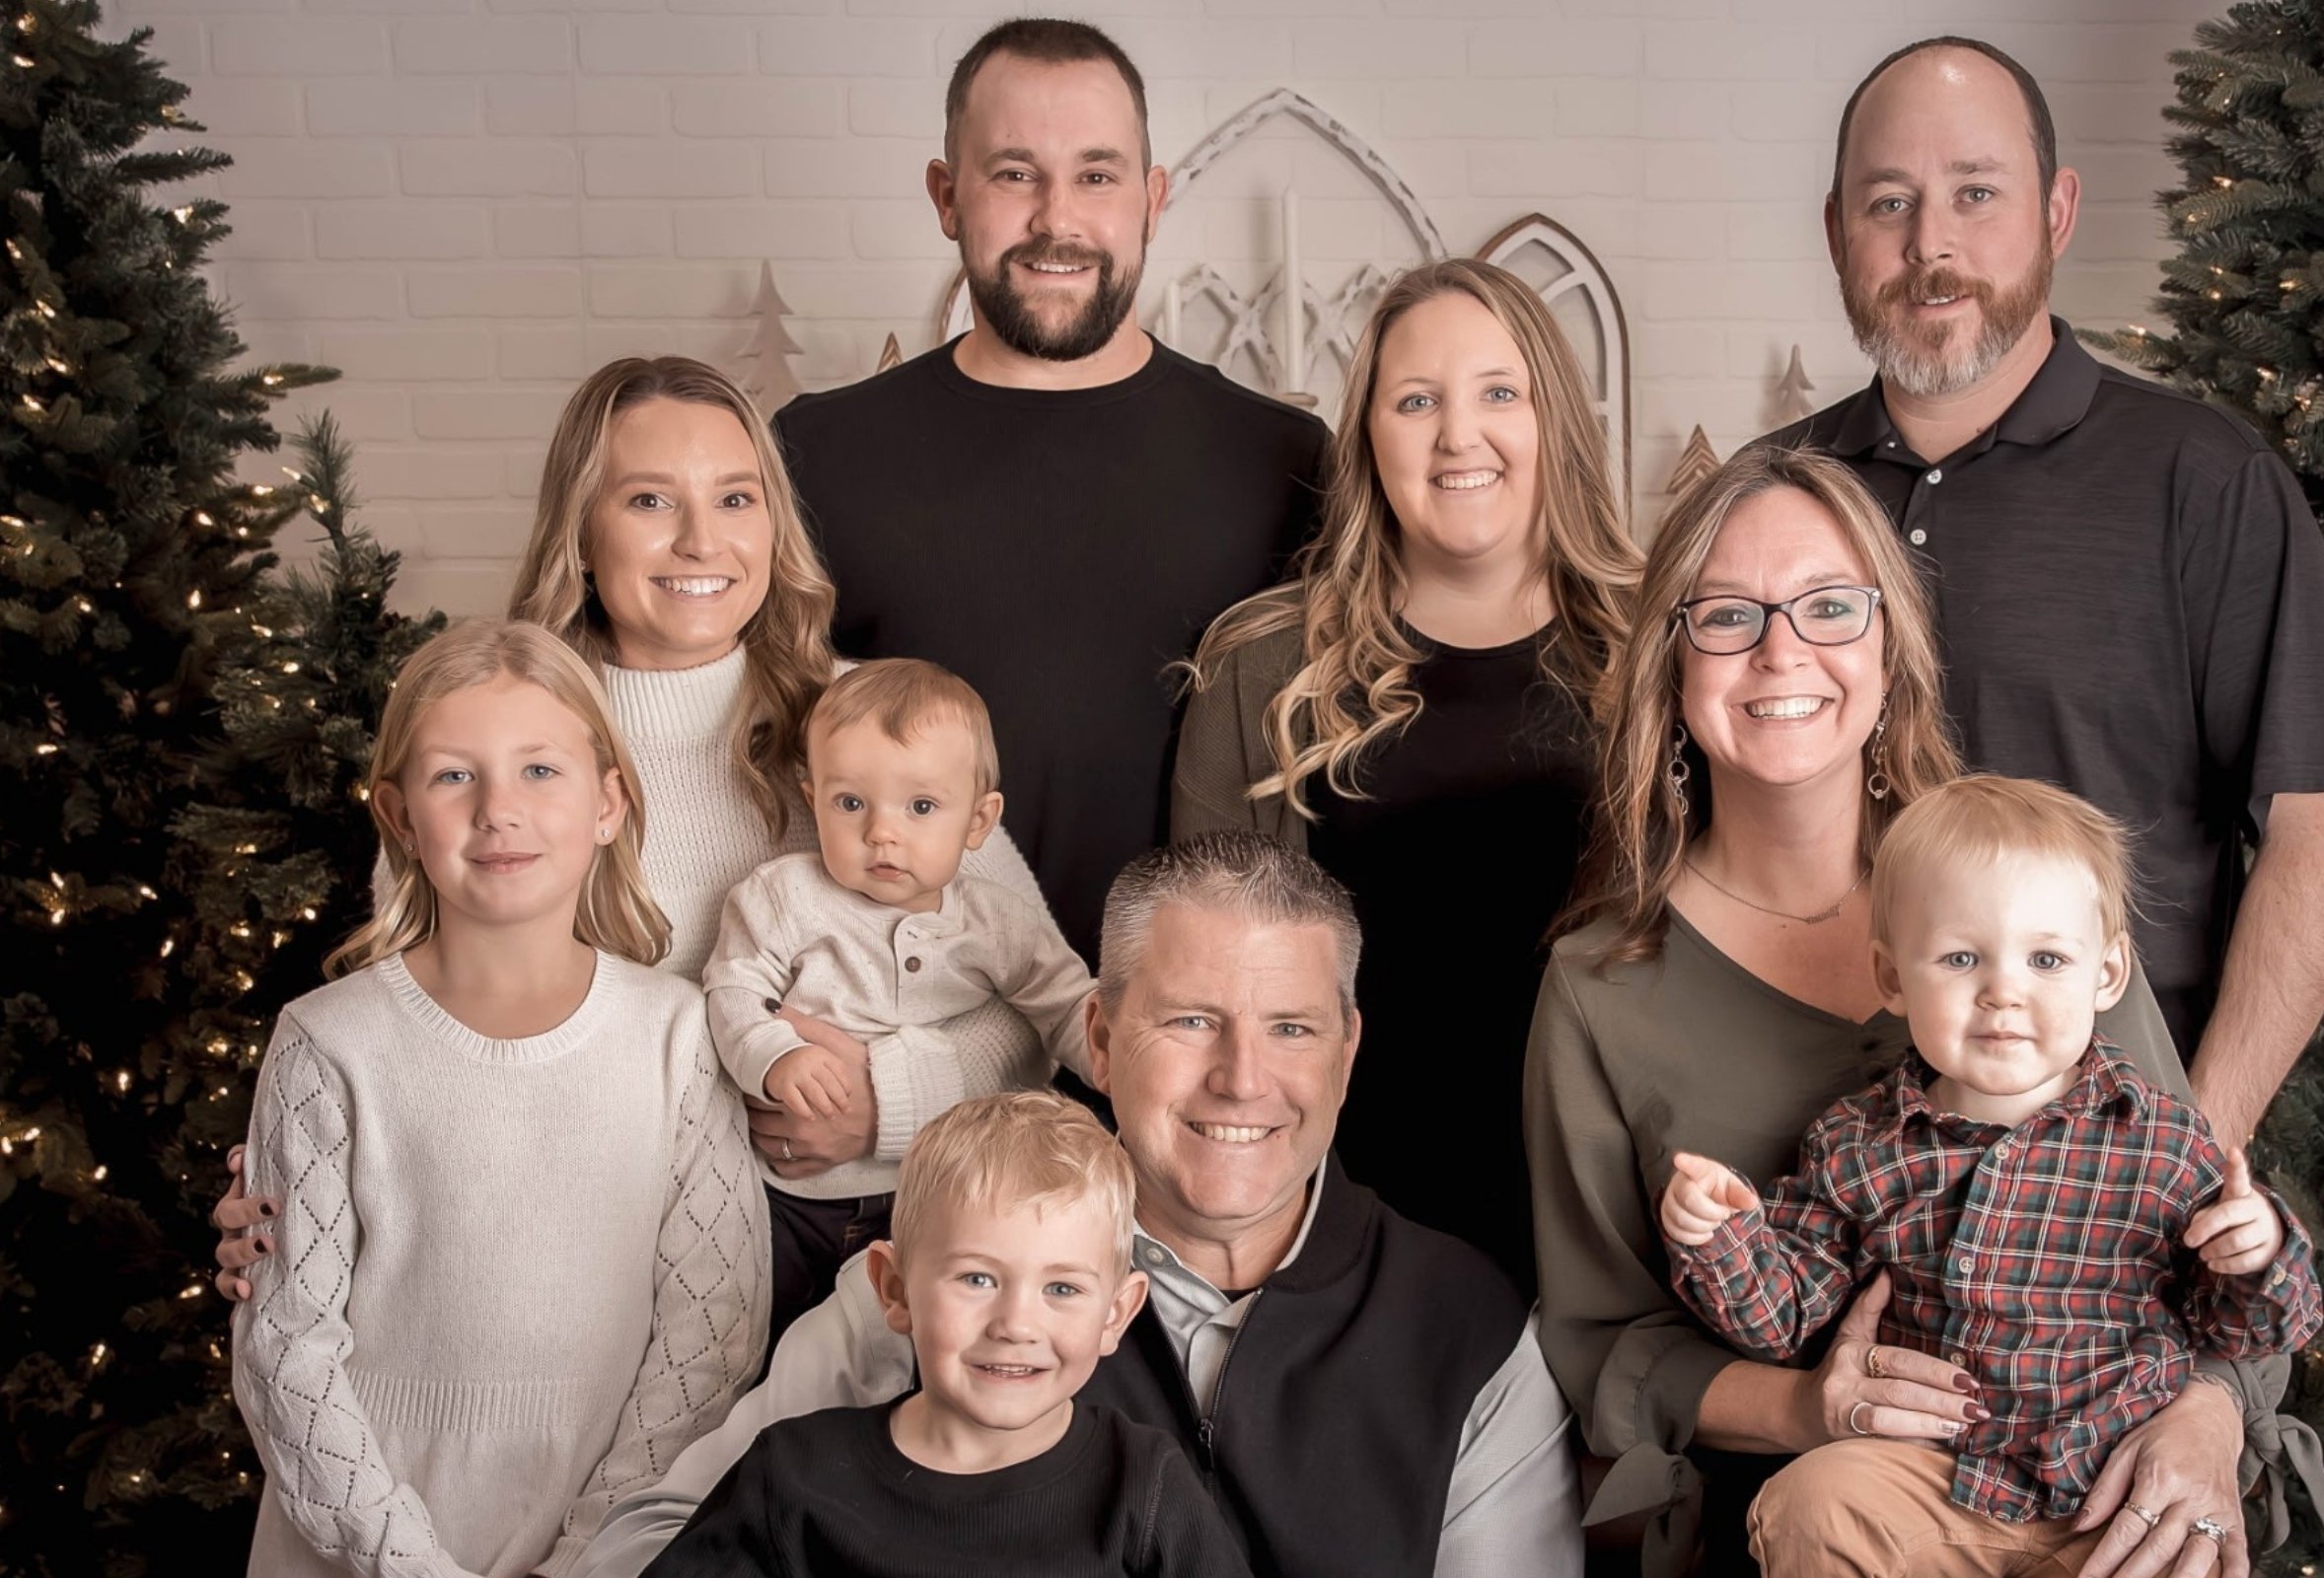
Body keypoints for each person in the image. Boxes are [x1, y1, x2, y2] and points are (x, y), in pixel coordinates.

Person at [1527, 448, 2314, 1578]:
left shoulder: (2035, 903)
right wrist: (1813, 1411)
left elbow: (2191, 1223)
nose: (1781, 649)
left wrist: (2206, 1415)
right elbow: (1605, 1346)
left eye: (1830, 607)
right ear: (1668, 664)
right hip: (1839, 1523)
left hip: (2103, 1480)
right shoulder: (1600, 988)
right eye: (1727, 615)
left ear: (1888, 651)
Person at [209, 358, 1051, 1318]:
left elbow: (1033, 1005)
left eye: (735, 497)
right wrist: (306, 1196)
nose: (702, 539)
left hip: (871, 1250)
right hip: (602, 1273)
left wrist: (885, 1101)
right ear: (580, 532)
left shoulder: (873, 721)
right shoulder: (497, 752)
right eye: (651, 498)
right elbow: (418, 1047)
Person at [582, 832, 1583, 1578]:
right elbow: (651, 1543)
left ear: (1347, 1049)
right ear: (1097, 1038)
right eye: (1191, 1021)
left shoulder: (1464, 1327)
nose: (1241, 1078)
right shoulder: (943, 1275)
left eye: (1290, 1027)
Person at [1756, 36, 2324, 1146]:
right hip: (1816, 1148)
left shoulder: (2202, 480)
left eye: (1974, 193)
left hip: (2109, 1157)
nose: (1928, 243)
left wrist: (2194, 1146)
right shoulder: (1769, 494)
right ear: (1834, 231)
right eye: (1886, 201)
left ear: (2055, 211)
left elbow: (2322, 831)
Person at [1659, 775, 2323, 1576]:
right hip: (1936, 1481)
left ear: (2106, 974)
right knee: (1813, 1501)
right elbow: (1786, 1321)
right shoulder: (1856, 1144)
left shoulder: (2165, 1143)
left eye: (2047, 958)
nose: (2004, 991)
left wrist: (2256, 1255)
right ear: (1895, 978)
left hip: (2116, 1491)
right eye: (1961, 957)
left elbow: (2242, 1331)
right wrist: (1724, 1239)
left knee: (2185, 1558)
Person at [775, 18, 1326, 961]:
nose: (1057, 220)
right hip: (906, 1042)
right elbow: (762, 769)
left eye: (1097, 176)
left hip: (1184, 1046)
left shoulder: (1283, 460)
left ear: (1153, 199)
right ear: (948, 196)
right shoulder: (815, 452)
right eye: (1014, 173)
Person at [232, 621, 766, 1578]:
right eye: (453, 776)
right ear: (398, 816)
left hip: (600, 1546)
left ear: (608, 802)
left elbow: (711, 1334)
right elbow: (287, 1352)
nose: (498, 810)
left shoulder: (676, 1037)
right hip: (354, 1545)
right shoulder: (328, 1042)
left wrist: (585, 1558)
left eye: (539, 771)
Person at [1173, 257, 1637, 1291]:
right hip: (1344, 1214)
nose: (1456, 435)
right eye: (1415, 400)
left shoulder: (1656, 652)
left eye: (1497, 394)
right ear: (1367, 437)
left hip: (1607, 1206)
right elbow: (1205, 983)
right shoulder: (1262, 668)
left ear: (1550, 420)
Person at [640, 1091, 1252, 1578]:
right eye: (977, 1278)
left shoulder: (1144, 1489)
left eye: (1061, 1289)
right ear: (895, 1289)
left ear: (1116, 1314)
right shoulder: (793, 1475)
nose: (1016, 1326)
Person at [706, 660, 1096, 1326]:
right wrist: (776, 1055)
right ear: (812, 798)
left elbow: (1066, 1005)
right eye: (850, 803)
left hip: (946, 1194)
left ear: (978, 821)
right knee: (774, 1343)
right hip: (793, 1202)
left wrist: (1116, 1058)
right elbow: (732, 992)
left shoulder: (996, 921)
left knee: (919, 1347)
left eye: (921, 807)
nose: (881, 832)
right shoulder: (781, 896)